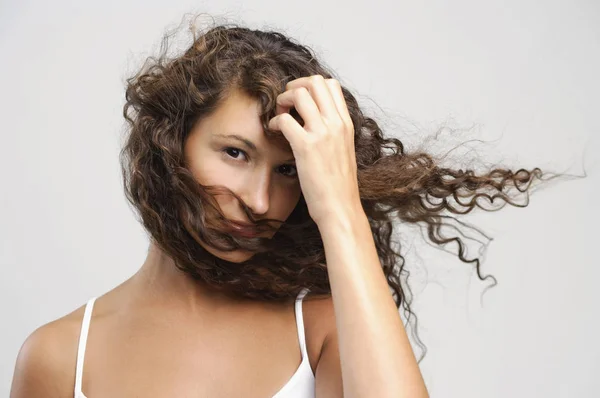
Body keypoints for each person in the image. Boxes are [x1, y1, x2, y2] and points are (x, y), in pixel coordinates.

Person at [10, 14, 557, 398]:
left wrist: (338, 206)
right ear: (169, 143)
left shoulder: (320, 327)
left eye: (288, 170)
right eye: (234, 153)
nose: (259, 201)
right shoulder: (61, 356)